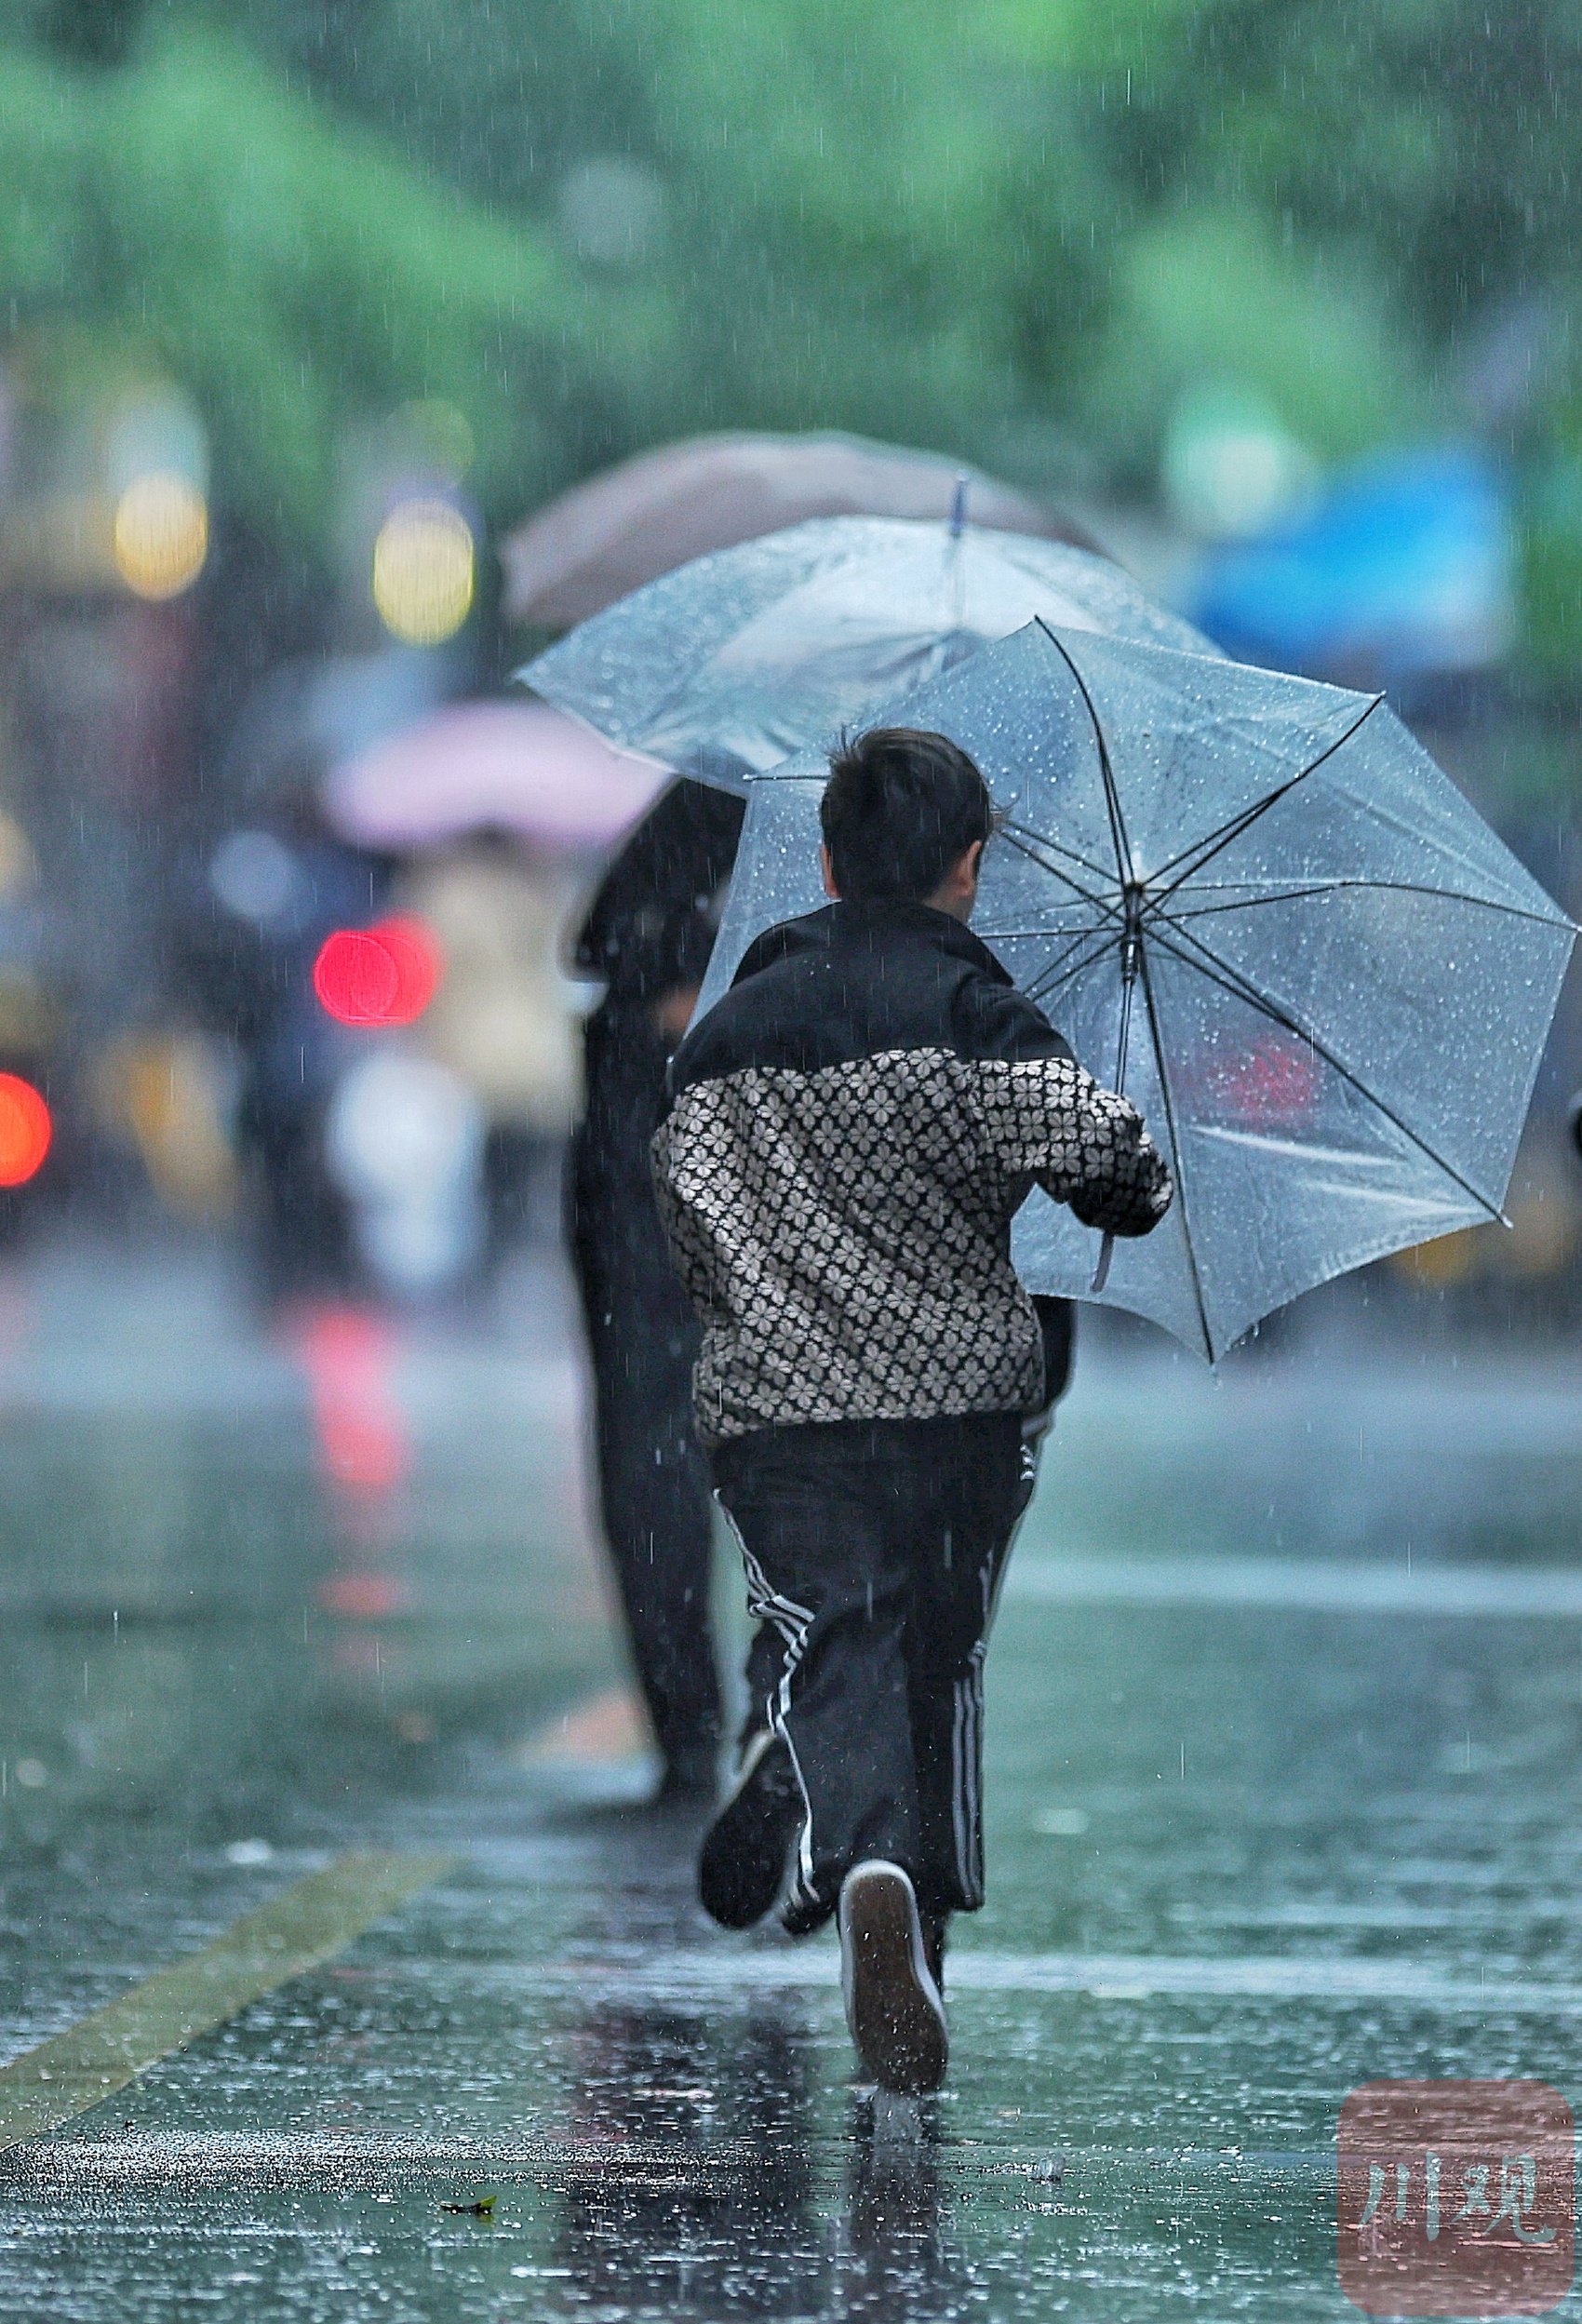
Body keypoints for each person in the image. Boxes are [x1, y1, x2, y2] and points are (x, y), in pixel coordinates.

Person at [650, 728, 1173, 2092]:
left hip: (781, 1419)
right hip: (957, 1414)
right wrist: (1131, 1185)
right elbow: (1106, 1159)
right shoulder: (978, 1011)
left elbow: (685, 1208)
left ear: (822, 860)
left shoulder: (730, 1028)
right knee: (937, 1658)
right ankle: (902, 1900)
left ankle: (822, 1784)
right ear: (971, 869)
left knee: (832, 1623)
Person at [567, 773, 745, 1802]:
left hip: (658, 1163)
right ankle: (743, 1720)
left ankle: (702, 1723)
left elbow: (599, 946)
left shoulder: (726, 782)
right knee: (669, 1444)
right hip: (668, 1164)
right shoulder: (732, 792)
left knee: (655, 1440)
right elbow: (606, 948)